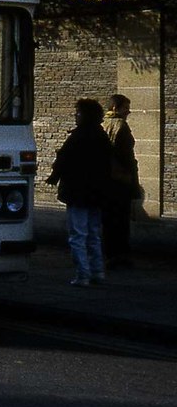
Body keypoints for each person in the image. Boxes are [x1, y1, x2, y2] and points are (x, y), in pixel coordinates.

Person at [46, 98, 114, 287]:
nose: (76, 116)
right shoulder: (102, 137)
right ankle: (97, 272)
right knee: (93, 234)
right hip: (96, 193)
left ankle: (82, 274)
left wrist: (54, 176)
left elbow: (63, 160)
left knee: (77, 235)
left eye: (78, 112)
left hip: (77, 192)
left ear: (85, 115)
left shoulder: (77, 137)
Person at [102, 94, 139, 267]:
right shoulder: (121, 126)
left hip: (106, 179)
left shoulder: (102, 124)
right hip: (120, 179)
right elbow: (125, 155)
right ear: (116, 108)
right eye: (126, 107)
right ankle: (119, 255)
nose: (128, 111)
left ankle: (108, 252)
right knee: (121, 219)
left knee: (109, 219)